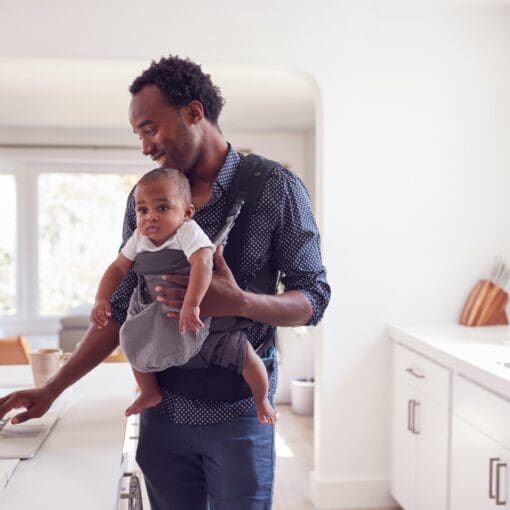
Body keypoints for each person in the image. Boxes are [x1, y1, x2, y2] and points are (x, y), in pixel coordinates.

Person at [0, 55, 330, 509]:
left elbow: (314, 297)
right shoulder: (147, 202)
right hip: (162, 415)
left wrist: (241, 303)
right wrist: (51, 390)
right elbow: (119, 311)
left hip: (239, 416)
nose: (144, 146)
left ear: (194, 113)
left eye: (150, 129)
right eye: (138, 134)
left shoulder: (276, 188)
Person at [91, 167, 276, 423]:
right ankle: (149, 391)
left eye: (162, 208)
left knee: (243, 353)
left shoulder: (187, 232)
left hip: (198, 311)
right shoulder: (138, 238)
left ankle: (261, 398)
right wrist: (102, 298)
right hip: (154, 309)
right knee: (133, 341)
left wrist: (192, 303)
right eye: (142, 210)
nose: (150, 217)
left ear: (186, 213)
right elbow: (117, 268)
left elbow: (203, 264)